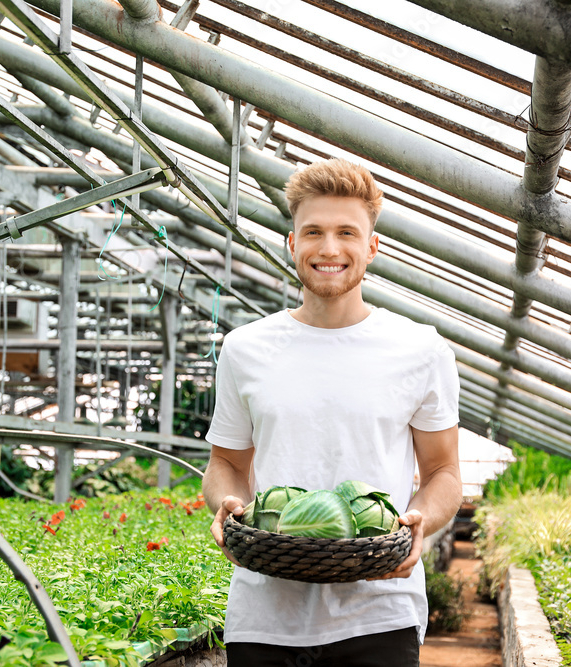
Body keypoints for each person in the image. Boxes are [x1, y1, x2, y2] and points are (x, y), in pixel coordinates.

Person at [202, 158, 461, 667]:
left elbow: (443, 472)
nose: (329, 248)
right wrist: (228, 508)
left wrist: (419, 523)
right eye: (313, 231)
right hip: (265, 612)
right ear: (293, 243)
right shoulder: (245, 348)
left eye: (347, 232)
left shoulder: (420, 349)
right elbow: (227, 464)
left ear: (372, 247)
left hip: (379, 611)